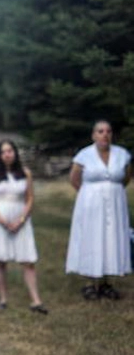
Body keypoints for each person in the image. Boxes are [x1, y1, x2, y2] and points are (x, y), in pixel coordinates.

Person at [66, 120, 131, 300]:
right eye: (100, 131)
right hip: (90, 205)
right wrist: (89, 195)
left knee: (111, 239)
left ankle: (106, 282)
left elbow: (126, 177)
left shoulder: (122, 154)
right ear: (94, 135)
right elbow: (74, 178)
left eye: (108, 131)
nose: (104, 134)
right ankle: (90, 283)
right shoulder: (84, 155)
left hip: (115, 204)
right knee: (92, 238)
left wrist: (112, 191)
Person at [0, 140, 47, 314]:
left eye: (10, 151)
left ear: (15, 153)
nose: (7, 154)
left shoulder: (25, 173)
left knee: (28, 261)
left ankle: (36, 300)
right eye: (3, 152)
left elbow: (30, 198)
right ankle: (3, 299)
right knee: (0, 261)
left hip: (20, 218)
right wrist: (1, 220)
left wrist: (22, 219)